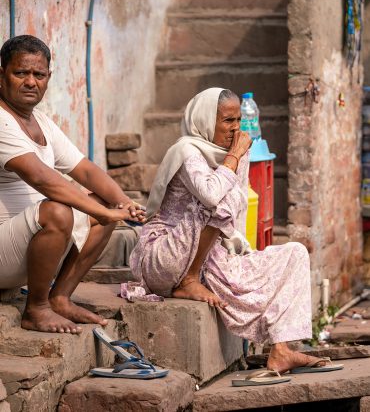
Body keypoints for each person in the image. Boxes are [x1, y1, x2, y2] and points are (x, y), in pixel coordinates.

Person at [128, 87, 330, 373]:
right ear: (205, 120)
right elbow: (212, 197)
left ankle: (282, 349)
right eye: (227, 121)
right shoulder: (188, 151)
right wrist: (235, 157)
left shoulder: (234, 152)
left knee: (295, 253)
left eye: (238, 120)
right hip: (163, 257)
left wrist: (238, 157)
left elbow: (237, 199)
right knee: (216, 203)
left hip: (209, 253)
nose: (235, 128)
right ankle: (188, 279)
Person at [0, 35, 145, 334]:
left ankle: (60, 298)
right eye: (21, 73)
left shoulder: (40, 121)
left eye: (38, 75)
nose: (30, 82)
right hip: (4, 253)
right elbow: (42, 178)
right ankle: (36, 309)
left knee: (104, 203)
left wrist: (123, 204)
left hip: (29, 253)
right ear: (1, 74)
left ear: (48, 78)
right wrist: (102, 212)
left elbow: (86, 171)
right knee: (58, 210)